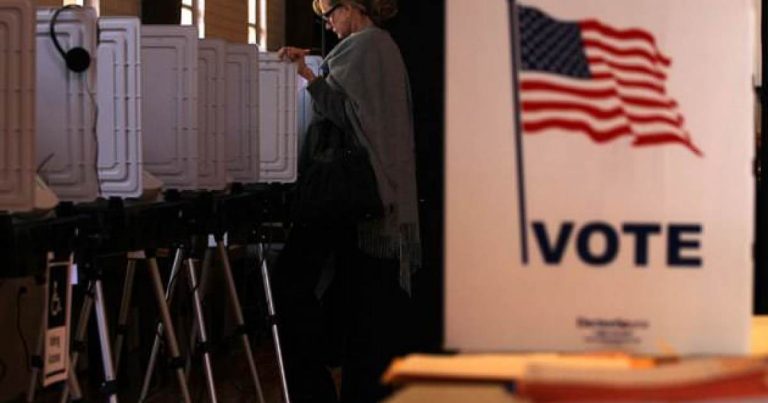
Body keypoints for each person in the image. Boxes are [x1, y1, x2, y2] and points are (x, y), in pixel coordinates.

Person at [275, 0, 421, 402]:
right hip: (370, 197)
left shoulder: (367, 46)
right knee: (358, 302)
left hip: (349, 192)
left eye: (330, 14)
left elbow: (349, 116)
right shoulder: (380, 47)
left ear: (353, 6)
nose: (328, 24)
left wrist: (309, 76)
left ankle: (315, 388)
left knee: (296, 284)